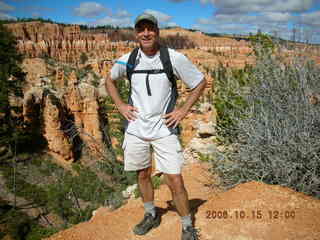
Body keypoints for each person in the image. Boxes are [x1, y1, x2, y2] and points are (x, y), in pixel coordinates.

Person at [105, 12, 206, 240]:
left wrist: (183, 110)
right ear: (136, 33)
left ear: (157, 31)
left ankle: (187, 225)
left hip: (164, 128)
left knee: (174, 178)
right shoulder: (127, 59)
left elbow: (199, 82)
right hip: (136, 128)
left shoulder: (173, 58)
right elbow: (109, 80)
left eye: (150, 28)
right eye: (141, 29)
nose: (146, 33)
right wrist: (120, 105)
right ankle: (151, 214)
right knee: (142, 174)